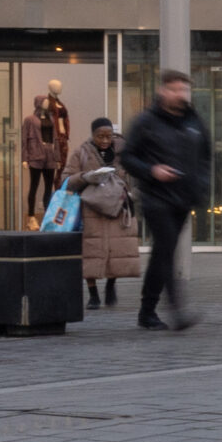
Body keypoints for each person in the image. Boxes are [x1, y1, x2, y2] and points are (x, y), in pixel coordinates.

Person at [119, 71, 209, 331]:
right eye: (175, 89)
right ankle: (177, 310)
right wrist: (152, 171)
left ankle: (147, 312)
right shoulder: (146, 122)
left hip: (183, 199)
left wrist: (201, 184)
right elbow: (127, 157)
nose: (180, 94)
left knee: (162, 253)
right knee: (166, 249)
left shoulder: (194, 121)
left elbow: (205, 156)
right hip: (156, 198)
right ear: (162, 92)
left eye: (184, 90)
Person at [61, 117, 139, 309]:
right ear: (92, 135)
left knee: (117, 250)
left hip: (118, 207)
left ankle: (111, 285)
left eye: (108, 136)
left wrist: (133, 194)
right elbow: (66, 178)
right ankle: (93, 294)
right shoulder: (82, 152)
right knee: (91, 251)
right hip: (91, 209)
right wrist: (86, 177)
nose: (105, 140)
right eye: (100, 136)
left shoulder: (123, 152)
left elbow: (138, 174)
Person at [19, 93, 63, 226]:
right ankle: (31, 216)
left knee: (49, 187)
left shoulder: (50, 118)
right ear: (38, 103)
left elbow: (55, 138)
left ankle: (47, 216)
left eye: (47, 101)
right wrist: (25, 158)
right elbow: (24, 139)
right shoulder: (29, 120)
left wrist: (57, 157)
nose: (47, 103)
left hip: (49, 155)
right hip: (35, 155)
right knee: (34, 186)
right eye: (44, 101)